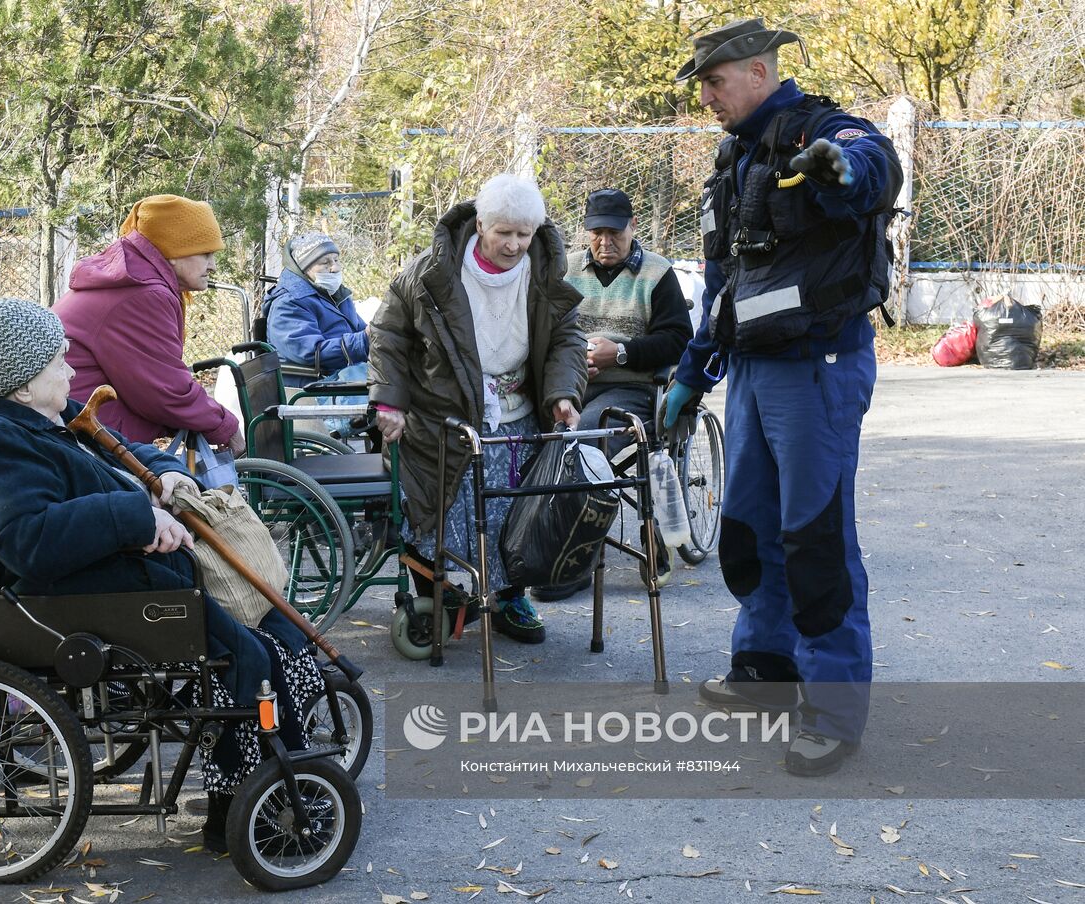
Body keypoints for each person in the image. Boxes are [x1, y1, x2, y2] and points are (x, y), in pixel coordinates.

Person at [0, 298, 322, 851]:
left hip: (122, 575)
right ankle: (248, 809)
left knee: (277, 634)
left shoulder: (40, 414)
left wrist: (164, 474)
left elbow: (123, 450)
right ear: (23, 385)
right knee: (248, 658)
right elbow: (29, 540)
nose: (72, 371)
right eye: (58, 363)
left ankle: (284, 775)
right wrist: (134, 516)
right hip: (79, 593)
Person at [665, 19, 903, 776]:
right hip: (751, 370)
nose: (706, 97)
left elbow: (877, 160)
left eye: (714, 82)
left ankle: (833, 711)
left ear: (760, 73)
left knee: (817, 539)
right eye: (703, 84)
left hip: (817, 369)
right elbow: (724, 287)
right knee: (749, 529)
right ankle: (765, 669)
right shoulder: (734, 158)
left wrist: (842, 172)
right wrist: (690, 373)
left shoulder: (822, 132)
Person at [369, 174, 587, 645]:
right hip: (441, 414)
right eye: (503, 232)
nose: (513, 245)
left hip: (516, 413)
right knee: (436, 508)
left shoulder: (544, 273)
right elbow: (387, 336)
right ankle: (439, 595)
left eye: (523, 235)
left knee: (517, 514)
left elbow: (567, 339)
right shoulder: (431, 273)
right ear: (481, 223)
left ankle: (510, 598)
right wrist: (389, 401)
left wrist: (563, 393)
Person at [532, 188, 694, 601]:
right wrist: (568, 362)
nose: (605, 242)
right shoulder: (566, 270)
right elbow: (544, 331)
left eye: (614, 233)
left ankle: (574, 561)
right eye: (597, 233)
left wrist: (619, 354)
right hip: (571, 385)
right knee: (526, 436)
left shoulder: (657, 274)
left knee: (581, 440)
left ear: (632, 227)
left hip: (631, 391)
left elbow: (678, 339)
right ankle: (539, 546)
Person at [54, 195, 245, 454]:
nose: (212, 266)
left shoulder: (137, 280)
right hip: (82, 432)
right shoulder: (144, 293)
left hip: (73, 416)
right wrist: (226, 427)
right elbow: (165, 390)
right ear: (174, 251)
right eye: (206, 254)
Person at [265, 231, 370, 434]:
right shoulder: (289, 303)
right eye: (325, 262)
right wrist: (365, 340)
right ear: (304, 269)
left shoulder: (335, 294)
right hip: (315, 384)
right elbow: (312, 352)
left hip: (344, 376)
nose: (335, 268)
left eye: (336, 260)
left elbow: (362, 332)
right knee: (400, 401)